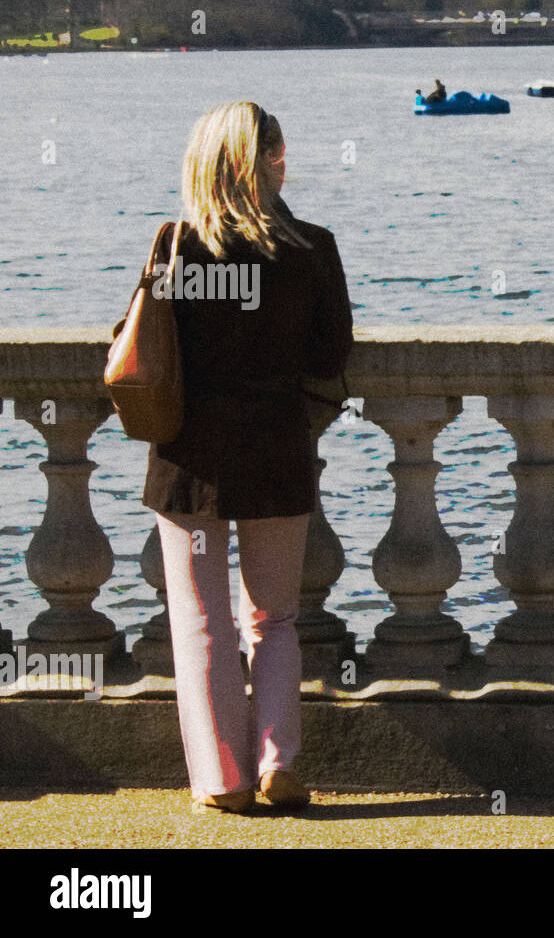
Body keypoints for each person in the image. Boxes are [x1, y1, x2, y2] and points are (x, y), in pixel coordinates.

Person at [143, 100, 353, 814]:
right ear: (271, 161)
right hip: (276, 453)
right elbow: (331, 355)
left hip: (191, 463)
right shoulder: (310, 249)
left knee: (205, 621)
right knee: (274, 619)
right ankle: (276, 761)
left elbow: (139, 345)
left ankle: (222, 780)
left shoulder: (177, 247)